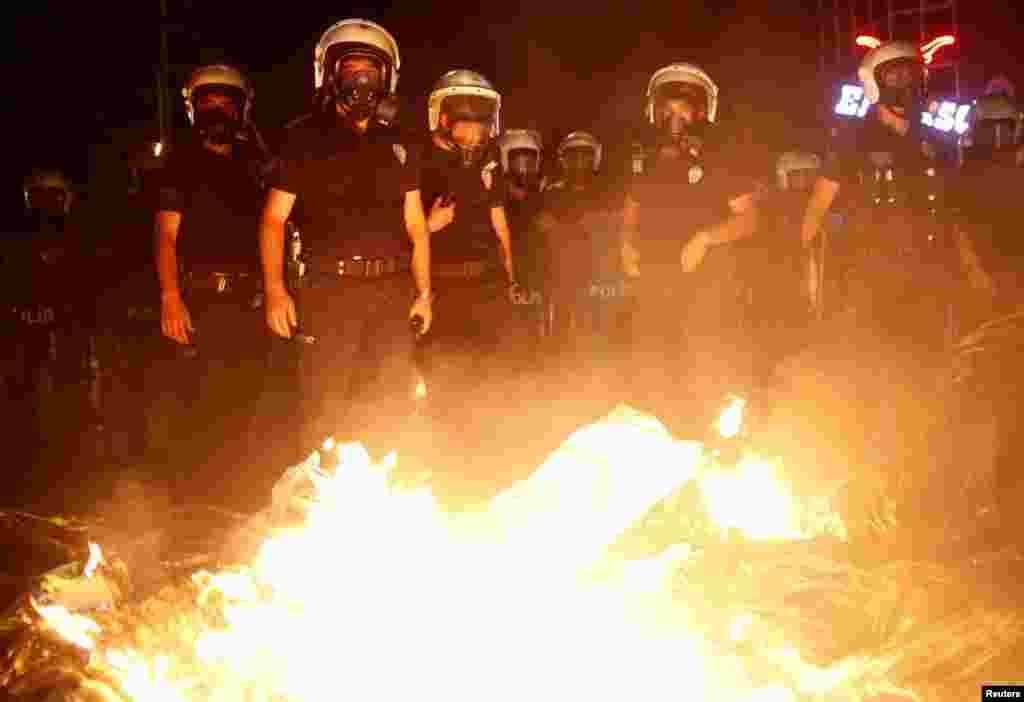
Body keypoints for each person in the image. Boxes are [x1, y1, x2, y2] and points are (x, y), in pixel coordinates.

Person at [259, 18, 432, 460]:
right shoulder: (302, 137)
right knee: (323, 407)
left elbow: (415, 223)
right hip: (328, 291)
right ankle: (312, 509)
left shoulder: (400, 143)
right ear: (329, 75)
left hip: (391, 291)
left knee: (390, 402)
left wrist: (425, 293)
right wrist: (276, 290)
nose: (360, 80)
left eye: (370, 71)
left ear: (386, 77)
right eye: (350, 69)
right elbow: (274, 219)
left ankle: (376, 503)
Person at [619, 63, 759, 436]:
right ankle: (662, 452)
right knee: (653, 370)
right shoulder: (645, 157)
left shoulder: (721, 155)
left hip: (705, 285)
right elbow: (631, 208)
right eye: (669, 109)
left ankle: (713, 444)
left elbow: (749, 219)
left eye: (684, 110)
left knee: (705, 371)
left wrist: (705, 238)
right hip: (654, 280)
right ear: (656, 110)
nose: (675, 118)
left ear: (701, 113)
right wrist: (625, 243)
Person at [150, 63, 272, 478]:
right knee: (197, 406)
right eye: (208, 103)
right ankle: (191, 505)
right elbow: (166, 236)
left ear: (242, 109)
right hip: (198, 300)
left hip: (247, 302)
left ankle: (233, 501)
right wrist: (171, 298)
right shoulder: (180, 163)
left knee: (245, 403)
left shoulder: (255, 165)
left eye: (226, 103)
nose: (217, 111)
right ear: (193, 110)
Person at [801, 41, 955, 349]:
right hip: (871, 272)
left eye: (911, 75)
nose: (905, 84)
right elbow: (816, 209)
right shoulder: (853, 139)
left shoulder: (935, 139)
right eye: (894, 77)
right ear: (873, 81)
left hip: (930, 270)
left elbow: (955, 210)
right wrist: (809, 273)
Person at [416, 69, 524, 386]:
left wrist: (511, 279)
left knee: (493, 384)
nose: (474, 135)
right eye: (465, 125)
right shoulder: (417, 162)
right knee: (443, 383)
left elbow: (500, 225)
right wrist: (429, 226)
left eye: (481, 126)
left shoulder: (489, 161)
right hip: (441, 291)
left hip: (488, 288)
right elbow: (394, 233)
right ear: (443, 119)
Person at [3, 169, 96, 457]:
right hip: (25, 328)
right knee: (23, 392)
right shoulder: (15, 237)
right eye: (38, 195)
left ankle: (70, 455)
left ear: (66, 199)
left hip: (67, 328)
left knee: (70, 391)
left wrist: (64, 312)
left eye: (53, 195)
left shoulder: (79, 234)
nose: (46, 203)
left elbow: (87, 282)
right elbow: (11, 278)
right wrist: (21, 311)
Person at [536, 131, 618, 354]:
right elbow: (542, 226)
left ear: (595, 159)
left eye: (585, 156)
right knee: (559, 334)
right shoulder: (552, 192)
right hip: (560, 273)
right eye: (574, 156)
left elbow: (612, 225)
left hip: (597, 272)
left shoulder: (606, 192)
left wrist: (592, 223)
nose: (580, 162)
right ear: (564, 160)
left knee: (597, 336)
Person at [499, 128, 546, 347]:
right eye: (518, 160)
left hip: (537, 276)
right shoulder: (494, 195)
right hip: (504, 277)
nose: (524, 167)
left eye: (529, 160)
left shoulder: (544, 194)